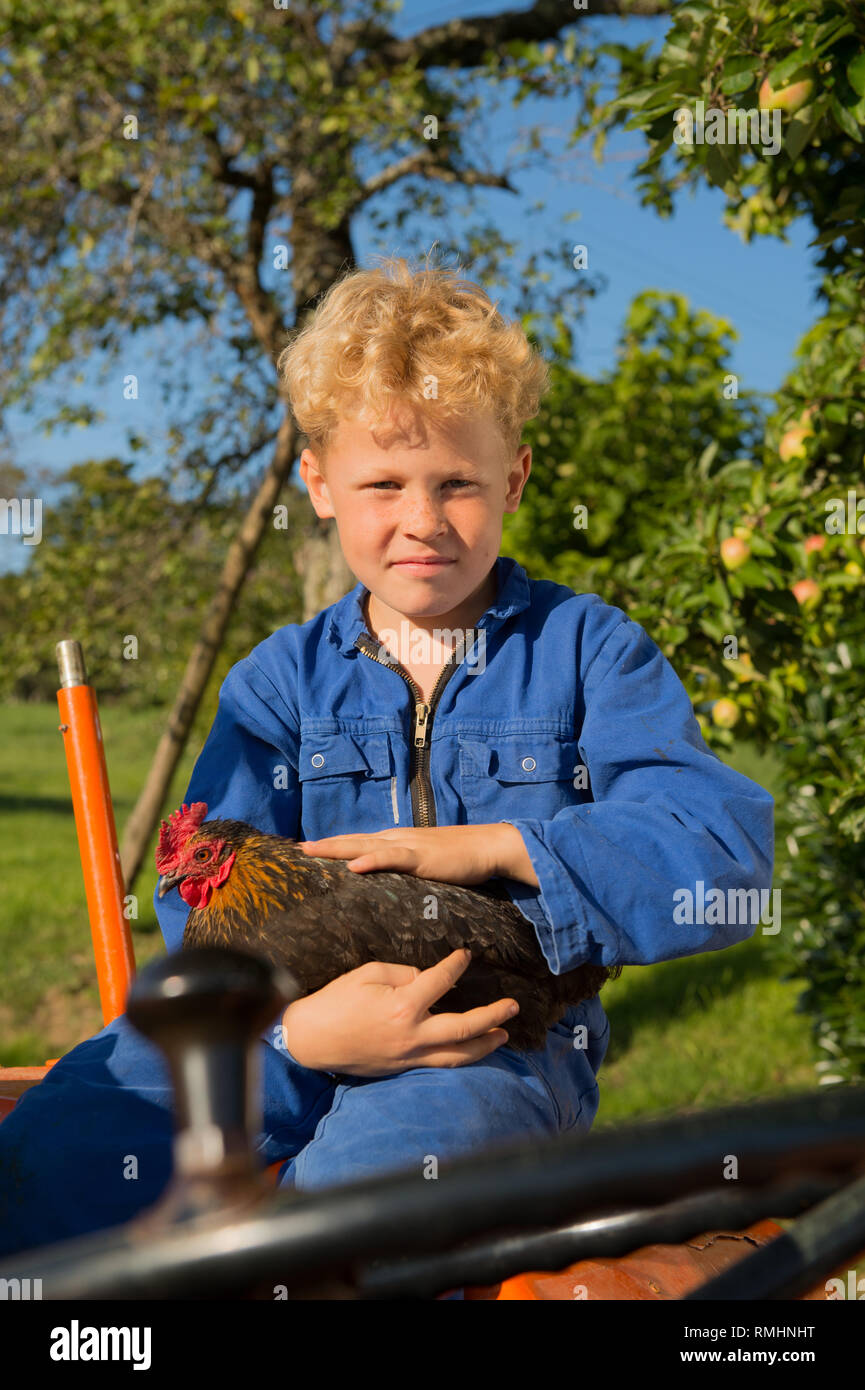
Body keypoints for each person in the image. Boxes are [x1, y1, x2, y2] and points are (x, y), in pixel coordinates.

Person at [0, 255, 774, 1265]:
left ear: (517, 478)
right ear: (317, 485)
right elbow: (200, 895)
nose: (422, 518)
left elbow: (720, 850)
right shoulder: (277, 682)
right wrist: (303, 1034)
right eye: (383, 483)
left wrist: (500, 845)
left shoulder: (589, 652)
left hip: (487, 1036)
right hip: (282, 1029)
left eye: (457, 481)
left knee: (362, 1204)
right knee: (53, 1155)